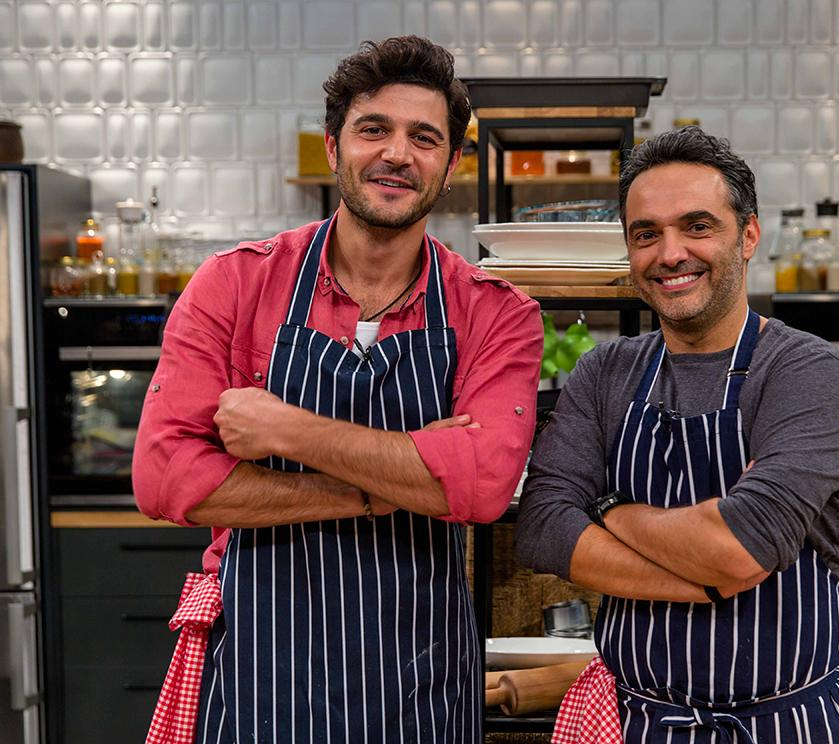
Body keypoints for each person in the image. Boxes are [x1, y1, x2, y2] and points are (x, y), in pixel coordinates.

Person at [134, 36, 542, 744]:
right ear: (334, 147)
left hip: (418, 678)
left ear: (451, 166)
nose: (397, 154)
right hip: (263, 672)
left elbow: (481, 487)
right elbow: (168, 479)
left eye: (424, 138)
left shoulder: (495, 311)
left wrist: (286, 431)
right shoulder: (236, 283)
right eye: (373, 129)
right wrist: (388, 487)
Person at [515, 126, 839, 743]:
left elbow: (738, 546)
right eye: (646, 234)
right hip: (638, 722)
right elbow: (543, 527)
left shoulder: (806, 371)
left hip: (781, 723)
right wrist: (706, 579)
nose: (670, 253)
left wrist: (610, 510)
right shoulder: (606, 372)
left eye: (697, 226)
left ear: (748, 236)